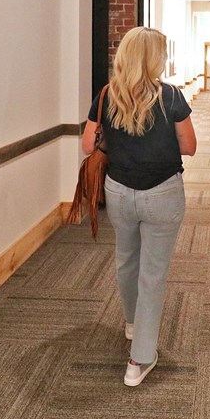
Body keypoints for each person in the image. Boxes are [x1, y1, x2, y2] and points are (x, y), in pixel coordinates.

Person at [82, 27, 196, 387]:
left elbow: (88, 145)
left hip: (118, 191)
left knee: (126, 259)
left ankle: (132, 323)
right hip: (162, 192)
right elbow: (190, 146)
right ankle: (140, 359)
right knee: (153, 274)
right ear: (154, 58)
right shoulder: (172, 96)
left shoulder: (105, 96)